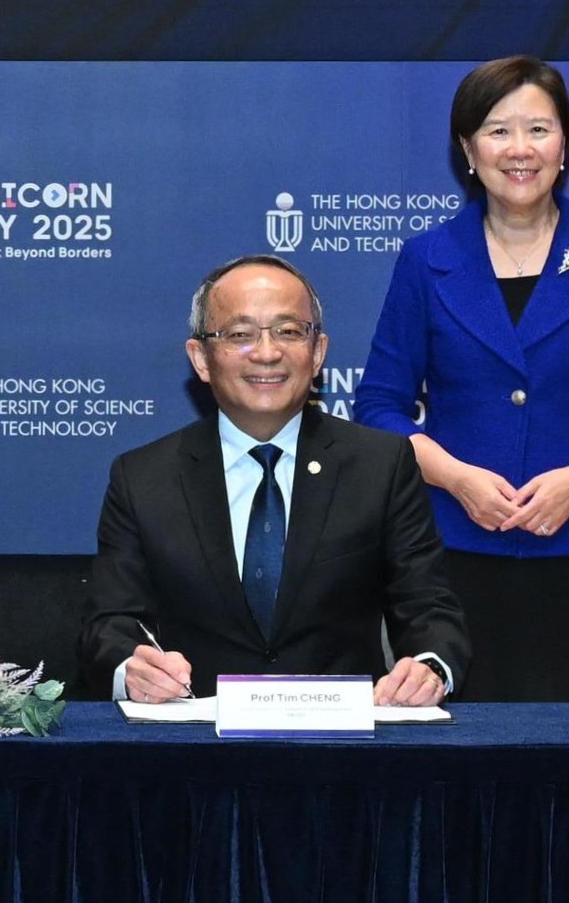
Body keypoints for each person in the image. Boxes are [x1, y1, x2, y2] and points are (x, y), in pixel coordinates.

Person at [352, 56, 569, 702]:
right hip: (452, 550)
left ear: (565, 145)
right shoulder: (425, 259)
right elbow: (379, 406)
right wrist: (457, 478)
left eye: (538, 129)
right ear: (467, 149)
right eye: (498, 130)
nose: (520, 149)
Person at [88, 253, 466, 708]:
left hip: (343, 750)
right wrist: (131, 667)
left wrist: (428, 668)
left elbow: (429, 608)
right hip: (194, 745)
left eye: (289, 332)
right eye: (240, 334)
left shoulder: (380, 465)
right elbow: (109, 624)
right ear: (201, 358)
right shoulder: (143, 477)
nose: (267, 353)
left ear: (318, 352)